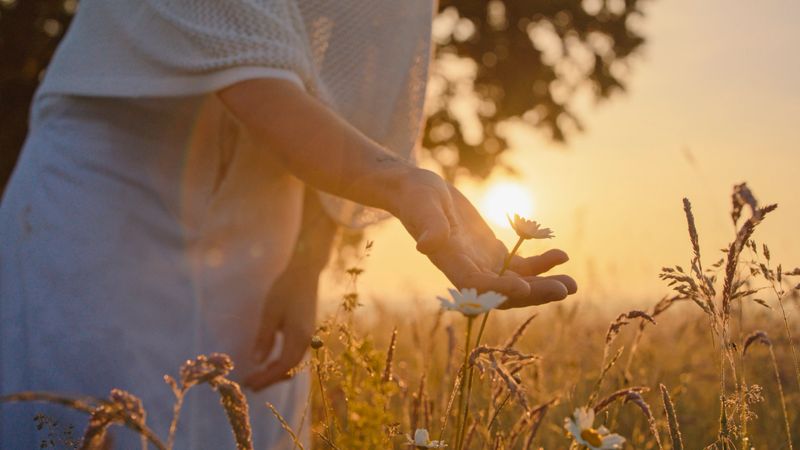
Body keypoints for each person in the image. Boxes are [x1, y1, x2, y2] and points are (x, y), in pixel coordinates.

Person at [0, 0, 577, 448]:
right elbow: (252, 72)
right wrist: (402, 182)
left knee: (240, 422)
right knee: (81, 415)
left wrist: (306, 260)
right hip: (110, 190)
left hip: (268, 211)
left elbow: (364, 87)